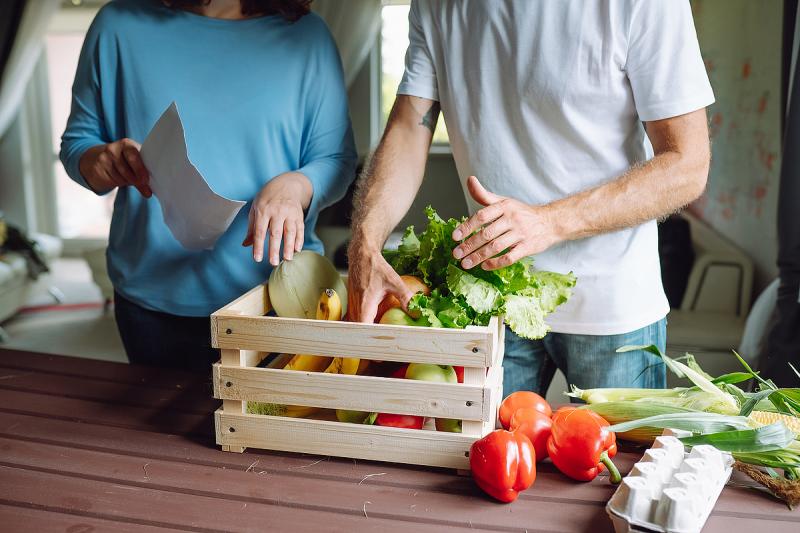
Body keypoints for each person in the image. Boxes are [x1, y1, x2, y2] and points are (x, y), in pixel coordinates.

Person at [348, 0, 713, 395]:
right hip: (491, 300)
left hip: (611, 310)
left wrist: (547, 222)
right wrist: (365, 242)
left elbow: (687, 165)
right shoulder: (436, 5)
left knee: (620, 460)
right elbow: (407, 127)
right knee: (485, 456)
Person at [61, 0, 356, 371]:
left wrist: (297, 185)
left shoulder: (308, 37)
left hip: (278, 295)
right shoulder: (117, 26)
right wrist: (100, 161)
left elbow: (337, 160)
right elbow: (78, 144)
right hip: (151, 302)